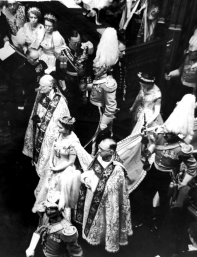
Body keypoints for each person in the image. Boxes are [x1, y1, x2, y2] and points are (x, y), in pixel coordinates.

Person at [134, 94, 197, 230]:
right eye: (166, 133)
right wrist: (147, 149)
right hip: (154, 170)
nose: (166, 135)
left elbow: (193, 167)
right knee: (145, 197)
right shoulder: (162, 133)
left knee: (164, 203)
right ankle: (145, 221)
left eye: (170, 134)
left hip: (168, 177)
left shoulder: (183, 148)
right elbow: (154, 146)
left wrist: (183, 183)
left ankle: (159, 225)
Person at [74, 138, 132, 252]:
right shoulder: (100, 156)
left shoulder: (117, 168)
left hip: (106, 204)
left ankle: (101, 245)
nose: (98, 150)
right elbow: (91, 169)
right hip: (91, 197)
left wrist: (93, 184)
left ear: (110, 152)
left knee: (104, 225)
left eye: (101, 149)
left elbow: (112, 189)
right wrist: (86, 177)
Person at [32, 116, 92, 220]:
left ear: (67, 128)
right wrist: (51, 163)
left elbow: (70, 161)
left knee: (60, 193)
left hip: (65, 169)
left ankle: (61, 216)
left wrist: (57, 169)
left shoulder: (73, 141)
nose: (58, 129)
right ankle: (47, 211)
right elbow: (52, 150)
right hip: (54, 165)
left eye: (60, 127)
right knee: (47, 187)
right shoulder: (58, 135)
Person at [22, 75, 70, 197]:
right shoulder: (41, 96)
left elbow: (62, 123)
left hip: (51, 137)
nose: (39, 88)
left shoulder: (60, 101)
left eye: (42, 86)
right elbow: (37, 111)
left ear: (51, 86)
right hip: (41, 133)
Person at [165, 13, 197, 115]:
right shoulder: (188, 56)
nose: (191, 52)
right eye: (190, 50)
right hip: (180, 88)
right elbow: (181, 70)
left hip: (192, 93)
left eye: (194, 51)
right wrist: (171, 74)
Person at [81, 27, 119, 155]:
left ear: (104, 69)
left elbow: (111, 107)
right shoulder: (99, 78)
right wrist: (87, 87)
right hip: (91, 110)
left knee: (95, 141)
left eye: (97, 68)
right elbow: (96, 87)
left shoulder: (109, 84)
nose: (94, 69)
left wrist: (103, 124)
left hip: (99, 113)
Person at [26, 191, 84, 257]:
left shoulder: (66, 229)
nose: (48, 211)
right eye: (47, 208)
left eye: (52, 209)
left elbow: (76, 253)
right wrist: (31, 248)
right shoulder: (45, 217)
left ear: (60, 209)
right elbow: (39, 230)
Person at [55, 29, 94, 101]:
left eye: (78, 42)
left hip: (86, 78)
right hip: (72, 81)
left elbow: (89, 63)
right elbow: (61, 71)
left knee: (88, 99)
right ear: (69, 40)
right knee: (74, 101)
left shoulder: (84, 48)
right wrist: (64, 87)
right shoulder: (64, 53)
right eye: (74, 43)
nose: (77, 45)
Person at [11, 48, 47, 113]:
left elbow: (43, 74)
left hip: (42, 92)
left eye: (38, 58)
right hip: (30, 97)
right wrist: (20, 106)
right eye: (35, 59)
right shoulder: (21, 71)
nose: (38, 60)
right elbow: (19, 91)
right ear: (28, 58)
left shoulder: (41, 63)